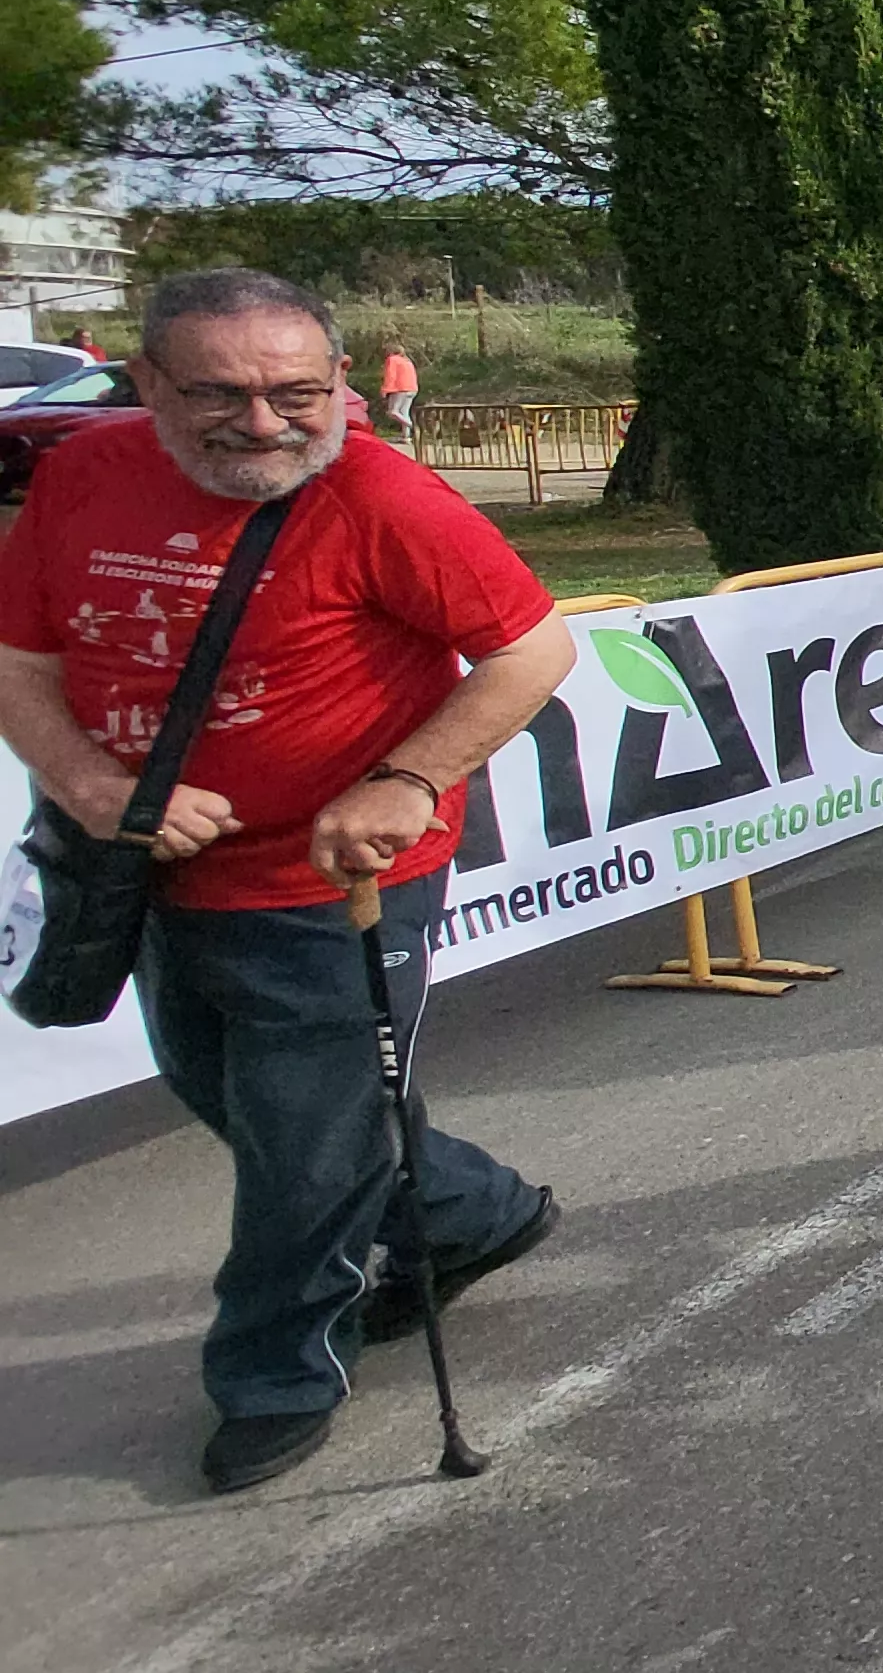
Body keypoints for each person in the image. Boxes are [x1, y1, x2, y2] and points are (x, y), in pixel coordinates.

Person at [0, 267, 577, 1491]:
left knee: (303, 1148)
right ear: (144, 380)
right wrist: (97, 788)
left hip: (334, 885)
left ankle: (272, 1370)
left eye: (295, 393)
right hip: (147, 874)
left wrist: (406, 782)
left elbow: (534, 645)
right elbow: (19, 660)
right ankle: (468, 1210)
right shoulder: (81, 475)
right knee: (237, 1092)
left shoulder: (384, 496)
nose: (263, 424)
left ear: (342, 386)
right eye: (219, 393)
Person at [377, 338, 418, 440]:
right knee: (404, 413)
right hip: (412, 389)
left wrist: (385, 390)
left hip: (401, 389)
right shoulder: (407, 361)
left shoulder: (392, 359)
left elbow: (391, 375)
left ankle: (413, 426)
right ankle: (406, 437)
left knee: (392, 412)